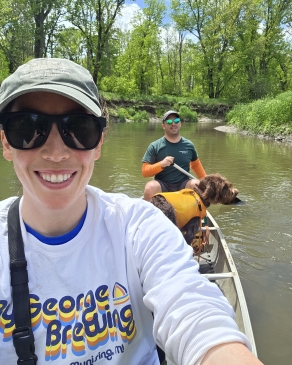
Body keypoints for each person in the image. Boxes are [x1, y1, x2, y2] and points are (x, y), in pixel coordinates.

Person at [0, 58, 263, 365]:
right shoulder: (155, 147)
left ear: (98, 143)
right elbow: (144, 172)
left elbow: (196, 315)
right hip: (163, 188)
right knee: (152, 189)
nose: (56, 153)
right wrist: (160, 167)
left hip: (185, 192)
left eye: (80, 129)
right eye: (27, 128)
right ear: (6, 141)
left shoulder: (141, 224)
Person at [142, 110, 207, 201]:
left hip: (183, 185)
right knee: (150, 187)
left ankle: (198, 213)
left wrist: (207, 183)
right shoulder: (155, 146)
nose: (173, 124)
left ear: (180, 123)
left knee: (196, 184)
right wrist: (161, 164)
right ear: (163, 126)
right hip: (163, 185)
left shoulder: (189, 145)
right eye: (169, 122)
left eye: (176, 121)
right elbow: (145, 172)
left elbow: (195, 165)